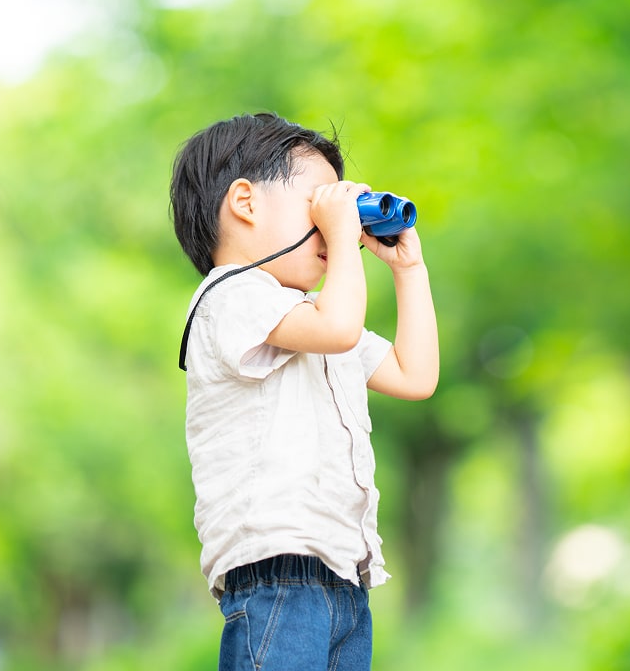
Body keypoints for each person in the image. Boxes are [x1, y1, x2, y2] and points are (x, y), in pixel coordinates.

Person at [169, 112, 439, 671]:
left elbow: (415, 376)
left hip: (341, 578)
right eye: (317, 204)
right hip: (275, 576)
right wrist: (343, 235)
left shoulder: (309, 316)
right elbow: (340, 330)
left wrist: (408, 271)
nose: (331, 223)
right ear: (244, 203)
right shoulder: (229, 295)